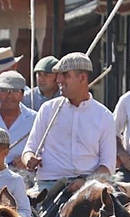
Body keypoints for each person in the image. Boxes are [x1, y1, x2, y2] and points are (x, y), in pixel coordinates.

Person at [18, 52, 114, 183]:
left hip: (89, 186)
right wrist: (29, 158)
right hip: (49, 183)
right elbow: (29, 149)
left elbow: (107, 166)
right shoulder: (47, 109)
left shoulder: (104, 116)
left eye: (65, 75)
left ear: (82, 78)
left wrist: (85, 183)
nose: (59, 80)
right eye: (58, 75)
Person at [0, 70, 37, 157]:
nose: (9, 95)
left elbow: (42, 150)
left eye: (15, 91)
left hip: (23, 170)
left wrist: (27, 158)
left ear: (22, 94)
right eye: (4, 90)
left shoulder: (34, 119)